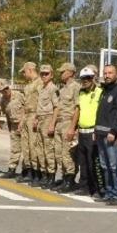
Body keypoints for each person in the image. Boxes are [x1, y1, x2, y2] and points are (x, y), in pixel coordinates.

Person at [96, 63, 117, 205]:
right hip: (100, 133)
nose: (107, 75)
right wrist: (96, 131)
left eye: (110, 73)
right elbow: (101, 113)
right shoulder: (105, 90)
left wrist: (114, 131)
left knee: (114, 165)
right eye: (105, 73)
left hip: (111, 135)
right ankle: (109, 193)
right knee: (104, 165)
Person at [71, 66, 104, 198]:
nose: (85, 81)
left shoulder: (100, 92)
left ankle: (96, 188)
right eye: (83, 78)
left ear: (93, 78)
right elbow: (78, 111)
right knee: (83, 161)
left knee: (93, 162)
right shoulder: (81, 93)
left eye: (88, 78)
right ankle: (84, 186)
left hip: (93, 131)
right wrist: (74, 128)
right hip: (82, 131)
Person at [49, 62, 81, 192]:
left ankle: (70, 180)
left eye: (63, 72)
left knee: (68, 153)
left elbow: (78, 108)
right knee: (59, 153)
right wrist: (53, 123)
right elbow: (58, 108)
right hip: (59, 123)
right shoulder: (62, 89)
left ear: (70, 72)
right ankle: (64, 177)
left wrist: (73, 127)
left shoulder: (76, 87)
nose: (61, 74)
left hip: (68, 122)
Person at [33, 64, 57, 187]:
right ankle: (44, 174)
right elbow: (39, 106)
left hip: (48, 118)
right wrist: (36, 118)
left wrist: (52, 124)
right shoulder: (41, 88)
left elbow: (56, 107)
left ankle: (51, 175)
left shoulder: (53, 89)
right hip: (41, 118)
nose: (44, 75)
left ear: (51, 75)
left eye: (46, 73)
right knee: (40, 149)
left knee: (48, 149)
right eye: (42, 73)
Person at [0, 79, 24, 179]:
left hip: (24, 125)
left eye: (7, 88)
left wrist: (23, 122)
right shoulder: (3, 100)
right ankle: (12, 169)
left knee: (27, 149)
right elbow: (3, 112)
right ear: (0, 91)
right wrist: (0, 122)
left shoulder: (19, 95)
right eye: (3, 89)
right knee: (14, 149)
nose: (6, 90)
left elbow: (28, 109)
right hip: (13, 126)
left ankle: (27, 171)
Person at [17, 62, 40, 185]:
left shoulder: (39, 83)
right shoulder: (28, 86)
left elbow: (41, 103)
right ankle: (28, 171)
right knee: (25, 146)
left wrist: (37, 117)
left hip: (34, 115)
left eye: (24, 72)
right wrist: (21, 120)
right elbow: (25, 105)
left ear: (30, 70)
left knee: (33, 146)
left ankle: (37, 173)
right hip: (27, 116)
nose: (23, 74)